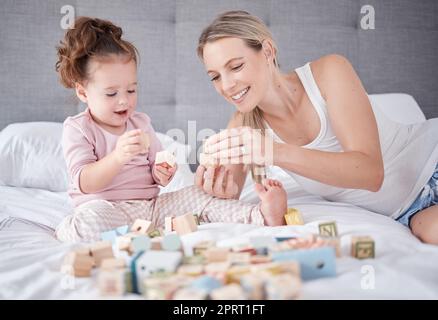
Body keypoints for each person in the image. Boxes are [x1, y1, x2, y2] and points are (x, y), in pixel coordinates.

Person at [195, 11, 438, 244]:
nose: (226, 86)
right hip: (407, 212)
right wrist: (216, 190)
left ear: (267, 51)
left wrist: (273, 151)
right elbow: (226, 200)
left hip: (431, 162)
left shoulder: (328, 72)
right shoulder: (243, 127)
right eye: (215, 77)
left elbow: (371, 174)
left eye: (236, 66)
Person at [54, 17, 288, 242]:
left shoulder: (141, 123)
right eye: (112, 93)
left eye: (131, 90)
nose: (124, 101)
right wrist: (118, 157)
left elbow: (156, 176)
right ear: (83, 92)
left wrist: (162, 172)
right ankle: (86, 231)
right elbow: (85, 182)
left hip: (152, 208)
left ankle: (260, 216)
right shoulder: (79, 128)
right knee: (88, 225)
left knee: (201, 195)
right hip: (107, 210)